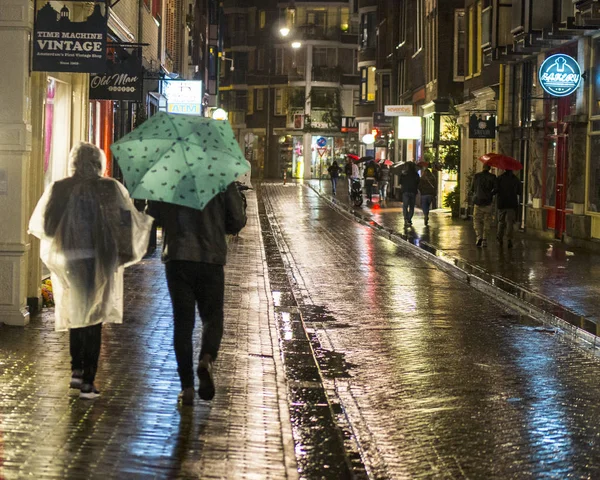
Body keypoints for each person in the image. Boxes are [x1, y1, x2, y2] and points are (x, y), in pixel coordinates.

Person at [28, 142, 153, 399]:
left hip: (72, 259)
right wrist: (122, 252)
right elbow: (124, 224)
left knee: (77, 310)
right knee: (95, 316)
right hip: (100, 260)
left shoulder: (60, 188)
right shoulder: (110, 188)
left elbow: (48, 227)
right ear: (100, 162)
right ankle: (88, 379)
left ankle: (76, 369)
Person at [148, 182, 246, 406]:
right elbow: (237, 221)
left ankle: (187, 387)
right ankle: (206, 358)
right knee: (212, 317)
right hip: (211, 259)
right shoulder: (222, 177)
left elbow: (153, 215)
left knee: (183, 323)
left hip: (177, 257)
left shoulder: (169, 176)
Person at [470, 164, 497, 247]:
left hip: (478, 202)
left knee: (476, 220)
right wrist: (490, 194)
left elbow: (472, 188)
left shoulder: (477, 176)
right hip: (488, 202)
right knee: (487, 221)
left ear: (483, 168)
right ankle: (485, 239)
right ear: (489, 168)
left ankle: (479, 236)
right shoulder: (493, 177)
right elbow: (496, 189)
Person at [496, 169, 522, 248]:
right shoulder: (515, 179)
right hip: (512, 203)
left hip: (502, 203)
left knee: (501, 221)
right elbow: (519, 192)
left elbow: (496, 189)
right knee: (510, 222)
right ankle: (509, 239)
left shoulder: (500, 178)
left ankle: (499, 238)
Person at [400, 162, 420, 226]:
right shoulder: (416, 174)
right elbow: (418, 182)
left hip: (405, 191)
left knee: (405, 206)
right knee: (411, 206)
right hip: (413, 191)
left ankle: (406, 218)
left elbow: (400, 182)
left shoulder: (404, 174)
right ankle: (409, 219)